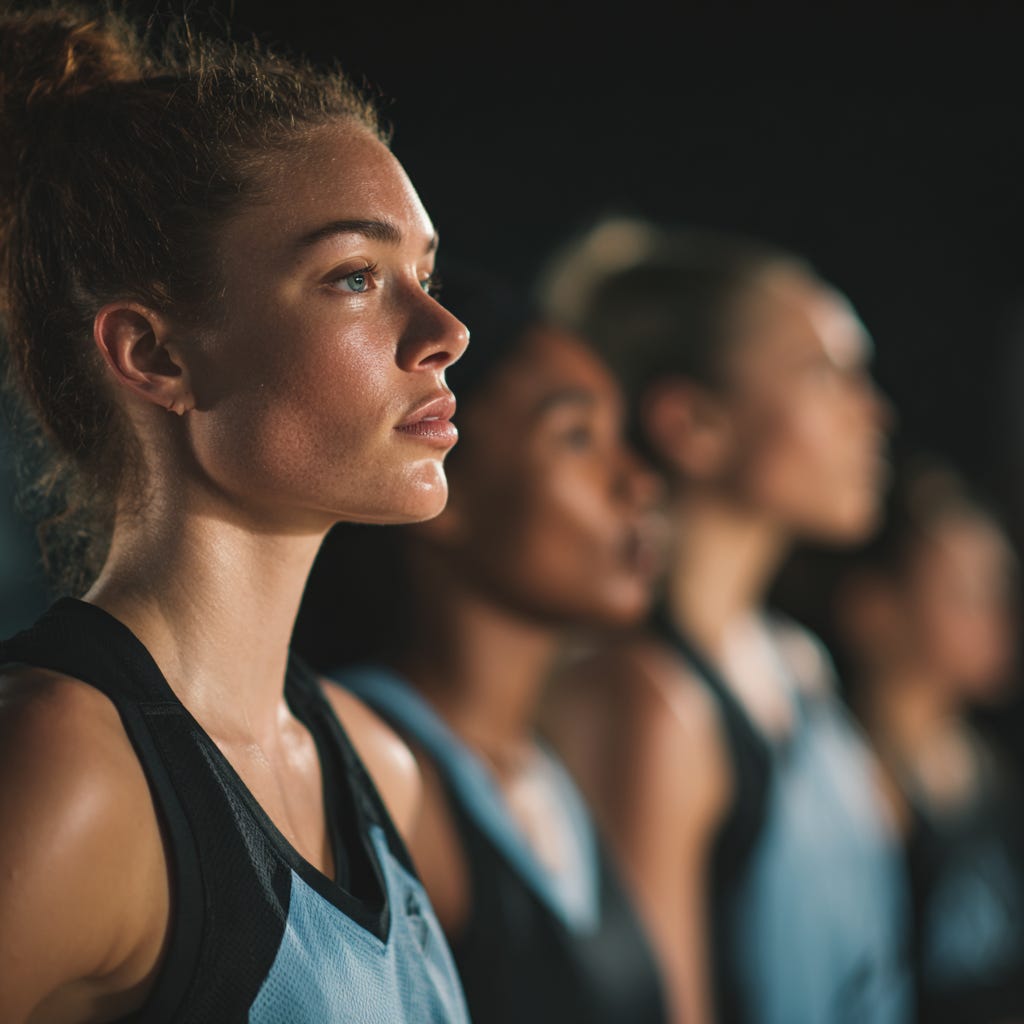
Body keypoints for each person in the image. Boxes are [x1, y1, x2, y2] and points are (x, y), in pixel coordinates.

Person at [0, 7, 472, 1022]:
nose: (443, 330)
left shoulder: (379, 761)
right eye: (355, 276)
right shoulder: (62, 772)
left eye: (422, 277)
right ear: (157, 355)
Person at [537, 219, 912, 1024]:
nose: (873, 413)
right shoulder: (644, 699)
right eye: (827, 375)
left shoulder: (797, 661)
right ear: (692, 425)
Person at [292, 267, 669, 1024]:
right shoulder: (379, 774)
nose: (638, 483)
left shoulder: (546, 768)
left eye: (620, 438)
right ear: (442, 485)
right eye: (576, 437)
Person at [834, 457, 1024, 1024]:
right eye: (964, 594)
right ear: (874, 610)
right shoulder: (856, 783)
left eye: (1001, 589)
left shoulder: (984, 762)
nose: (997, 617)